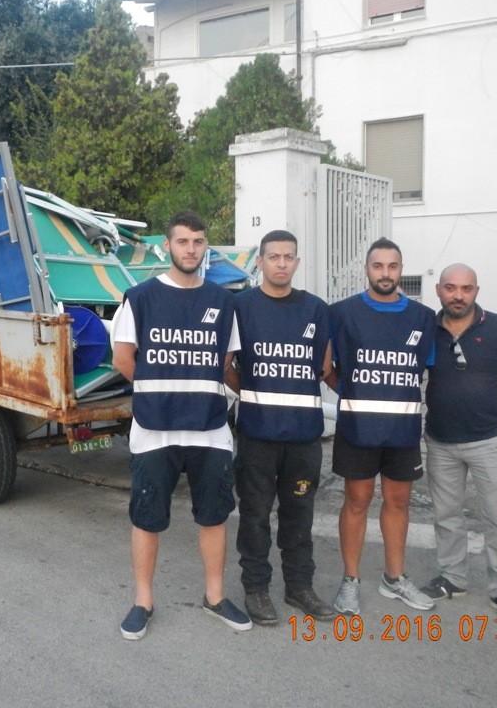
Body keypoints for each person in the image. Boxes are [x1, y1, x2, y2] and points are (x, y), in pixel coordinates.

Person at [112, 210, 252, 640]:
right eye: (182, 241)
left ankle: (214, 597)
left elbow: (226, 361)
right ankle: (142, 602)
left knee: (213, 516)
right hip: (155, 431)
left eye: (198, 241)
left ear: (205, 246)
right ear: (167, 247)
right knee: (147, 517)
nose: (191, 248)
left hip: (209, 429)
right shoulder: (140, 298)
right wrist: (158, 390)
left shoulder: (223, 301)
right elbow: (122, 358)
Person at [224, 230, 336, 626]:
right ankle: (256, 590)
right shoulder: (241, 307)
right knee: (254, 515)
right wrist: (256, 395)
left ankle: (299, 587)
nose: (282, 263)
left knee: (299, 514)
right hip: (257, 435)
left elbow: (323, 368)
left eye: (289, 257)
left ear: (297, 262)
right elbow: (227, 367)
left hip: (304, 437)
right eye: (274, 257)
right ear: (260, 262)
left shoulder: (317, 310)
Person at [418, 264, 497, 620]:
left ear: (477, 290)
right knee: (446, 515)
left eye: (467, 288)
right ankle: (452, 578)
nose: (459, 295)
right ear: (439, 290)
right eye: (451, 288)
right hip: (440, 439)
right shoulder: (428, 328)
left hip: (488, 440)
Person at [328, 237, 437, 616]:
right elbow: (327, 367)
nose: (385, 273)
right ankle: (350, 581)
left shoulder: (423, 318)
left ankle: (394, 577)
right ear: (367, 270)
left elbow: (427, 369)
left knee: (398, 502)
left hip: (403, 430)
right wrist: (351, 391)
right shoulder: (341, 313)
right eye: (378, 266)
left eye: (392, 266)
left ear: (400, 270)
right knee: (356, 501)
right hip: (358, 429)